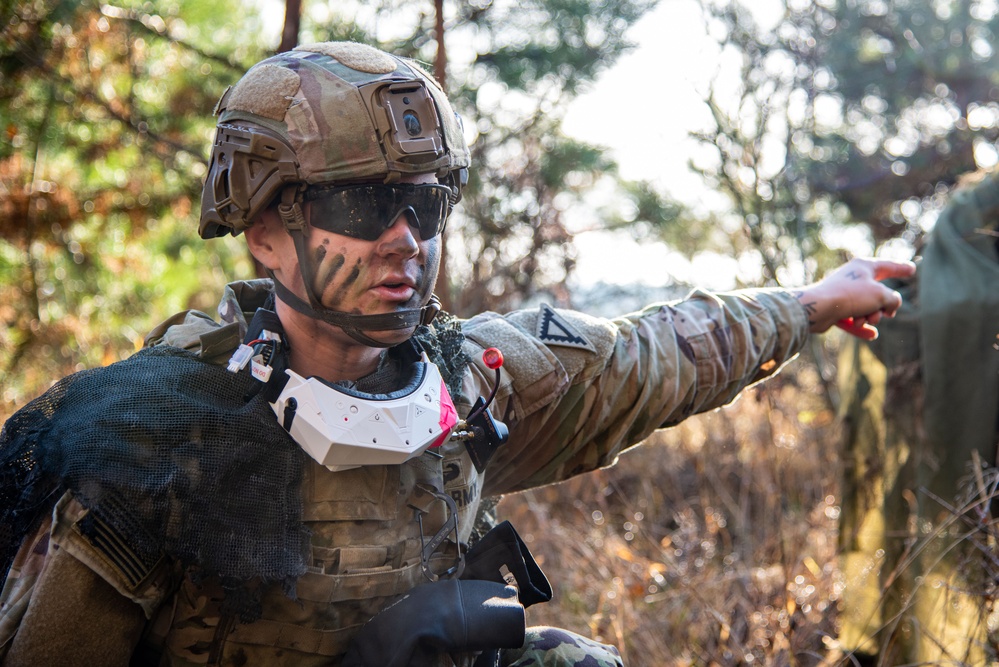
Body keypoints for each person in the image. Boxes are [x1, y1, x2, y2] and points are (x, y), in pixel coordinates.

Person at [0, 41, 914, 667]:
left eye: (426, 206)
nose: (407, 240)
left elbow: (652, 355)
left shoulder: (469, 381)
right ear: (267, 231)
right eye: (363, 208)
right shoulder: (148, 442)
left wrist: (811, 303)